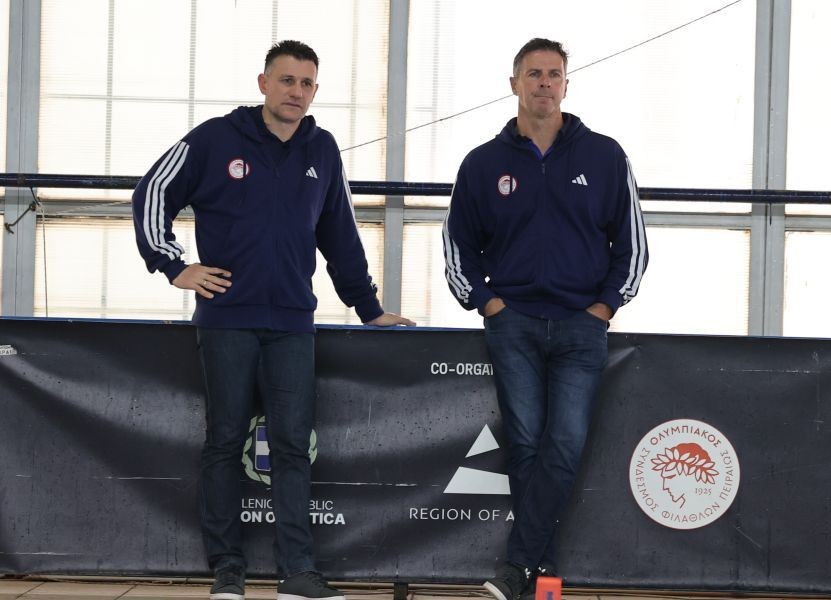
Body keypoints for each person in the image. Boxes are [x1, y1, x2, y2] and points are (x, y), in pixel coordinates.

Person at [132, 40, 414, 600]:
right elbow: (151, 192)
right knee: (224, 441)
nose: (297, 92)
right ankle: (227, 570)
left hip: (291, 325)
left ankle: (298, 572)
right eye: (287, 80)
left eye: (307, 83)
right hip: (227, 320)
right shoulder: (215, 139)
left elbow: (340, 236)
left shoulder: (322, 150)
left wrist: (369, 309)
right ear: (263, 83)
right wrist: (173, 265)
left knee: (292, 446)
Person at [442, 38, 648, 600]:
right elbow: (458, 244)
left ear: (566, 85)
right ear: (514, 84)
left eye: (554, 74)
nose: (544, 83)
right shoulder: (482, 163)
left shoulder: (605, 155)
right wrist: (487, 303)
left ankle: (517, 567)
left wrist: (605, 306)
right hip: (513, 325)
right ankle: (542, 574)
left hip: (583, 326)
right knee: (527, 444)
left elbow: (633, 245)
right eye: (533, 74)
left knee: (566, 442)